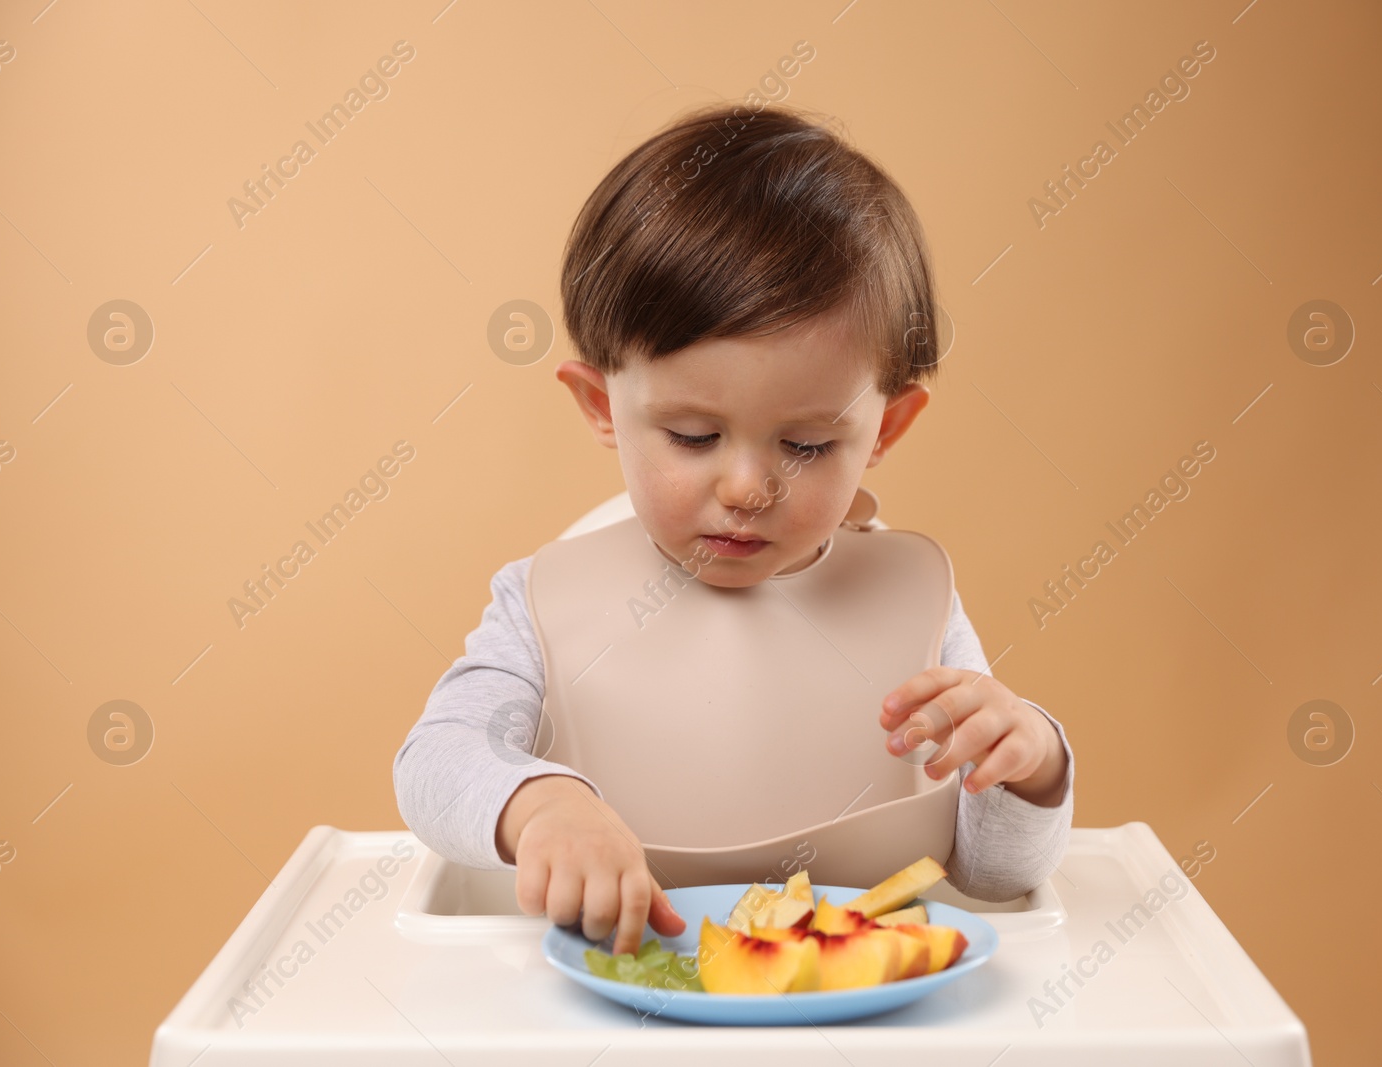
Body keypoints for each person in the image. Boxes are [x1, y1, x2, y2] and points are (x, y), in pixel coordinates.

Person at [394, 101, 1073, 957]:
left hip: (860, 1011)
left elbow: (996, 874)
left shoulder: (916, 607)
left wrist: (1033, 766)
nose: (749, 485)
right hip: (608, 1007)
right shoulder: (545, 605)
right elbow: (435, 761)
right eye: (693, 436)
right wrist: (540, 805)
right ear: (602, 406)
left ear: (886, 431)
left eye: (807, 443)